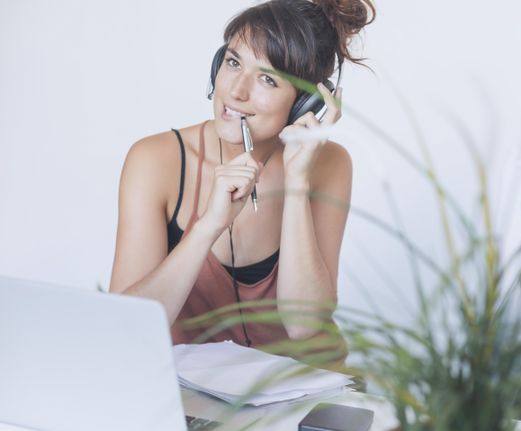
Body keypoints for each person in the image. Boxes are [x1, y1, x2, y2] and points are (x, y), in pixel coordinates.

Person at [109, 0, 375, 360]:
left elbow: (304, 325)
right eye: (233, 62)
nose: (236, 91)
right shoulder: (156, 160)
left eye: (267, 79)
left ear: (305, 104)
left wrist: (297, 182)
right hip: (195, 401)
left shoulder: (328, 164)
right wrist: (208, 226)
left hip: (306, 388)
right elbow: (125, 327)